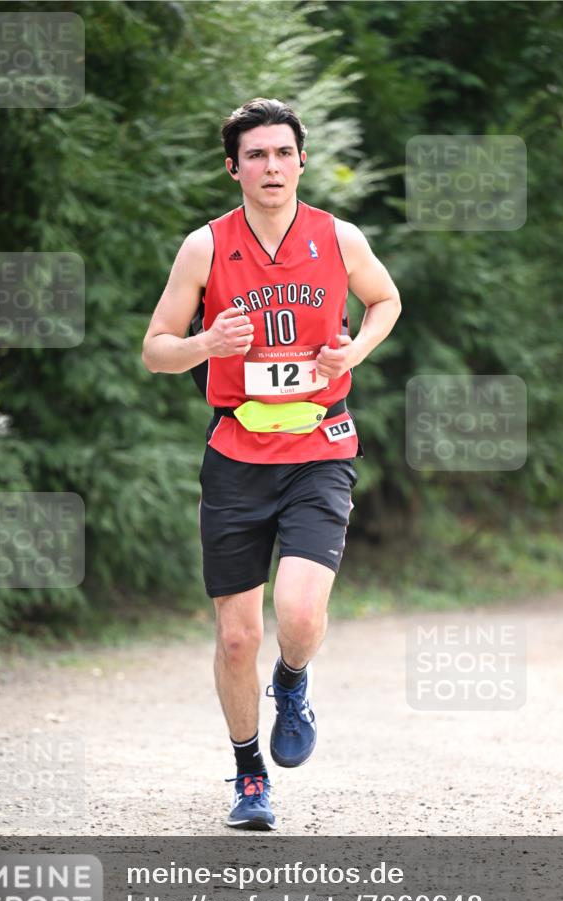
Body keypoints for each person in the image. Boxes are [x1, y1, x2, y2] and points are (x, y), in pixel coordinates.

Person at [142, 97, 401, 831]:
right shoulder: (204, 247)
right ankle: (249, 773)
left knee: (299, 612)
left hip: (320, 446)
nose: (271, 166)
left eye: (283, 152)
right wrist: (205, 344)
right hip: (235, 454)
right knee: (235, 636)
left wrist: (355, 351)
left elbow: (384, 300)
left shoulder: (338, 237)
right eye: (255, 155)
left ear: (301, 161)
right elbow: (156, 349)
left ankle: (291, 681)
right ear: (234, 168)